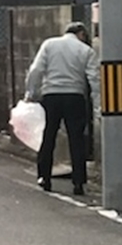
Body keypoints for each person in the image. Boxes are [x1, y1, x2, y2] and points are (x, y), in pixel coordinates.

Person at [25, 21, 100, 196]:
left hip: (51, 95)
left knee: (48, 135)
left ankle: (44, 177)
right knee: (76, 139)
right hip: (75, 97)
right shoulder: (86, 51)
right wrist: (97, 104)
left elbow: (36, 70)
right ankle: (78, 182)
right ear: (81, 34)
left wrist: (31, 93)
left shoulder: (49, 44)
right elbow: (94, 79)